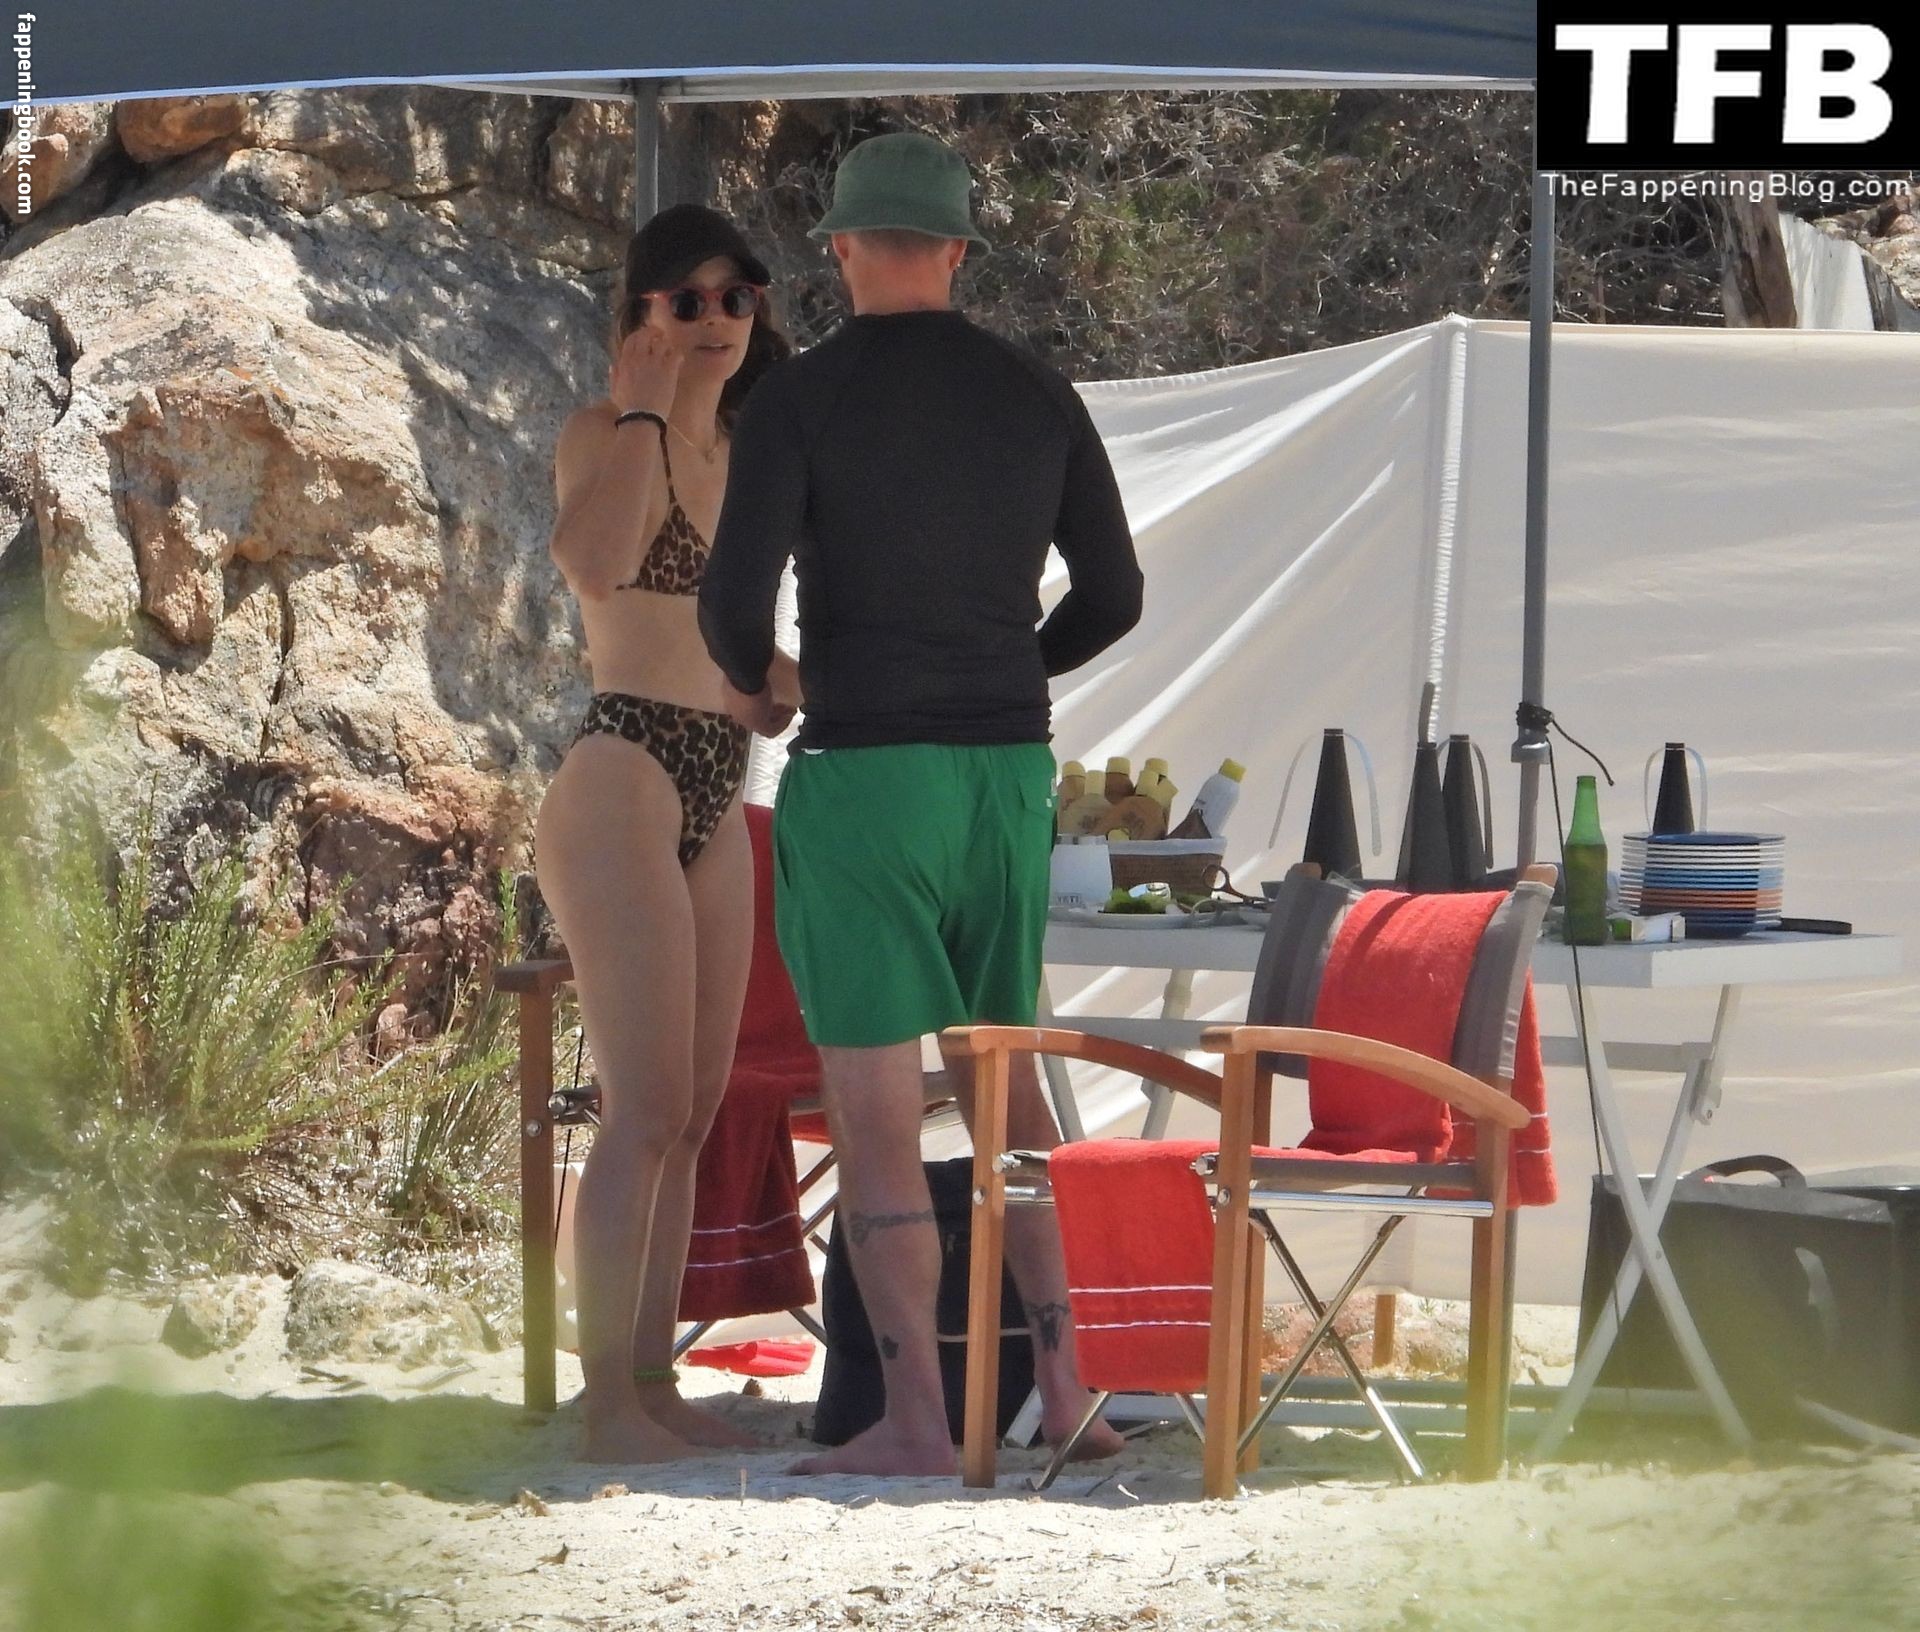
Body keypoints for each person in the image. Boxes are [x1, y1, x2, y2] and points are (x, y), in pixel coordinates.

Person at [698, 132, 1145, 1477]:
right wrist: (1007, 672)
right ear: (956, 249)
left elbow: (731, 606)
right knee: (1013, 1090)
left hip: (866, 775)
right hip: (1004, 773)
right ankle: (1067, 1389)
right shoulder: (1038, 393)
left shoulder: (800, 401)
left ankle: (913, 1421)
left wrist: (767, 688)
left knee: (880, 1111)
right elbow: (1115, 595)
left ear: (839, 246)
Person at [537, 204, 802, 1463]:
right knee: (639, 1109)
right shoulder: (602, 432)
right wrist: (646, 413)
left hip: (720, 774)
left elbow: (734, 660)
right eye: (685, 299)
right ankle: (606, 1407)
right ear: (640, 312)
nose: (714, 320)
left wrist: (790, 679)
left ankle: (651, 1384)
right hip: (623, 774)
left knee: (695, 1113)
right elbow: (596, 570)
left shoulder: (753, 455)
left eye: (735, 297)